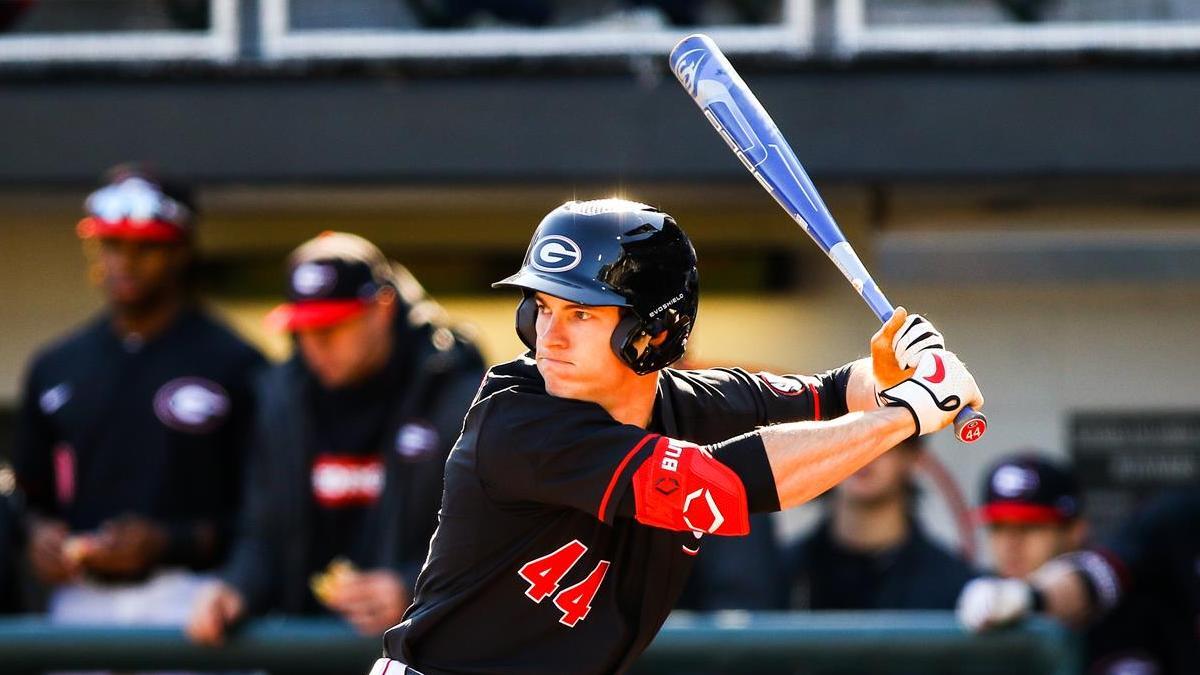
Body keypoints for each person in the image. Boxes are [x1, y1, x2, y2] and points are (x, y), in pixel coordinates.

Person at [370, 198, 983, 675]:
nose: (549, 336)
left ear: (654, 334)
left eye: (581, 313)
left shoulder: (681, 403)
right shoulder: (520, 423)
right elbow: (720, 488)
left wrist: (888, 372)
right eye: (542, 307)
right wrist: (908, 413)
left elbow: (825, 392)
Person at [186, 232, 485, 643]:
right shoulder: (281, 399)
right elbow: (262, 530)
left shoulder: (456, 393)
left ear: (381, 309)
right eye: (303, 330)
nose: (314, 345)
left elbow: (493, 537)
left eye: (332, 327)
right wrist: (237, 587)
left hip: (420, 654)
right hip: (304, 652)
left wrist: (416, 588)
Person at [12, 165, 265, 626]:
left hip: (195, 599)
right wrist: (37, 535)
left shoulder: (237, 363)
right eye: (111, 244)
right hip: (79, 599)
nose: (125, 262)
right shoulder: (56, 364)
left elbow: (268, 509)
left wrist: (172, 540)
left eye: (146, 246)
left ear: (181, 249)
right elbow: (29, 497)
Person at [967, 453, 1162, 674]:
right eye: (999, 527)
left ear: (1075, 531)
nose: (1011, 544)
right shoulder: (971, 604)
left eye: (1030, 527)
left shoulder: (1126, 615)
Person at [784, 436, 975, 611]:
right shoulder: (780, 575)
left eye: (881, 437)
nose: (862, 451)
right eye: (845, 434)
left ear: (912, 456)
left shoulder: (954, 587)